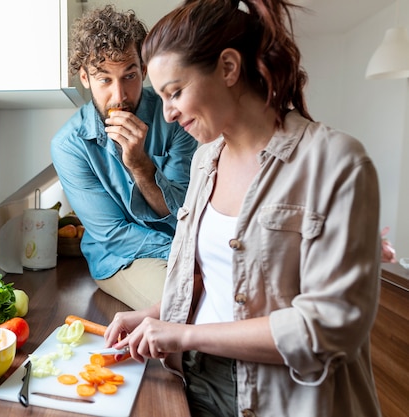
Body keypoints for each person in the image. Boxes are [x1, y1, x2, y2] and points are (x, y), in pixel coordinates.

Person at [103, 1, 382, 416]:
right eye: (161, 96)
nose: (168, 111)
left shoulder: (336, 162)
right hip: (194, 379)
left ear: (229, 68)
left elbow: (325, 330)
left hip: (283, 396)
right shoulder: (205, 160)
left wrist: (184, 336)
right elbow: (216, 282)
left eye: (175, 92)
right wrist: (152, 315)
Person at [50, 5, 197, 310]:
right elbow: (113, 234)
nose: (120, 96)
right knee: (182, 306)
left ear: (143, 70)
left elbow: (184, 208)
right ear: (85, 78)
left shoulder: (175, 117)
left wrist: (141, 166)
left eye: (129, 75)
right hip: (119, 257)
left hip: (183, 244)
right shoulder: (69, 146)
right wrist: (185, 252)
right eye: (105, 79)